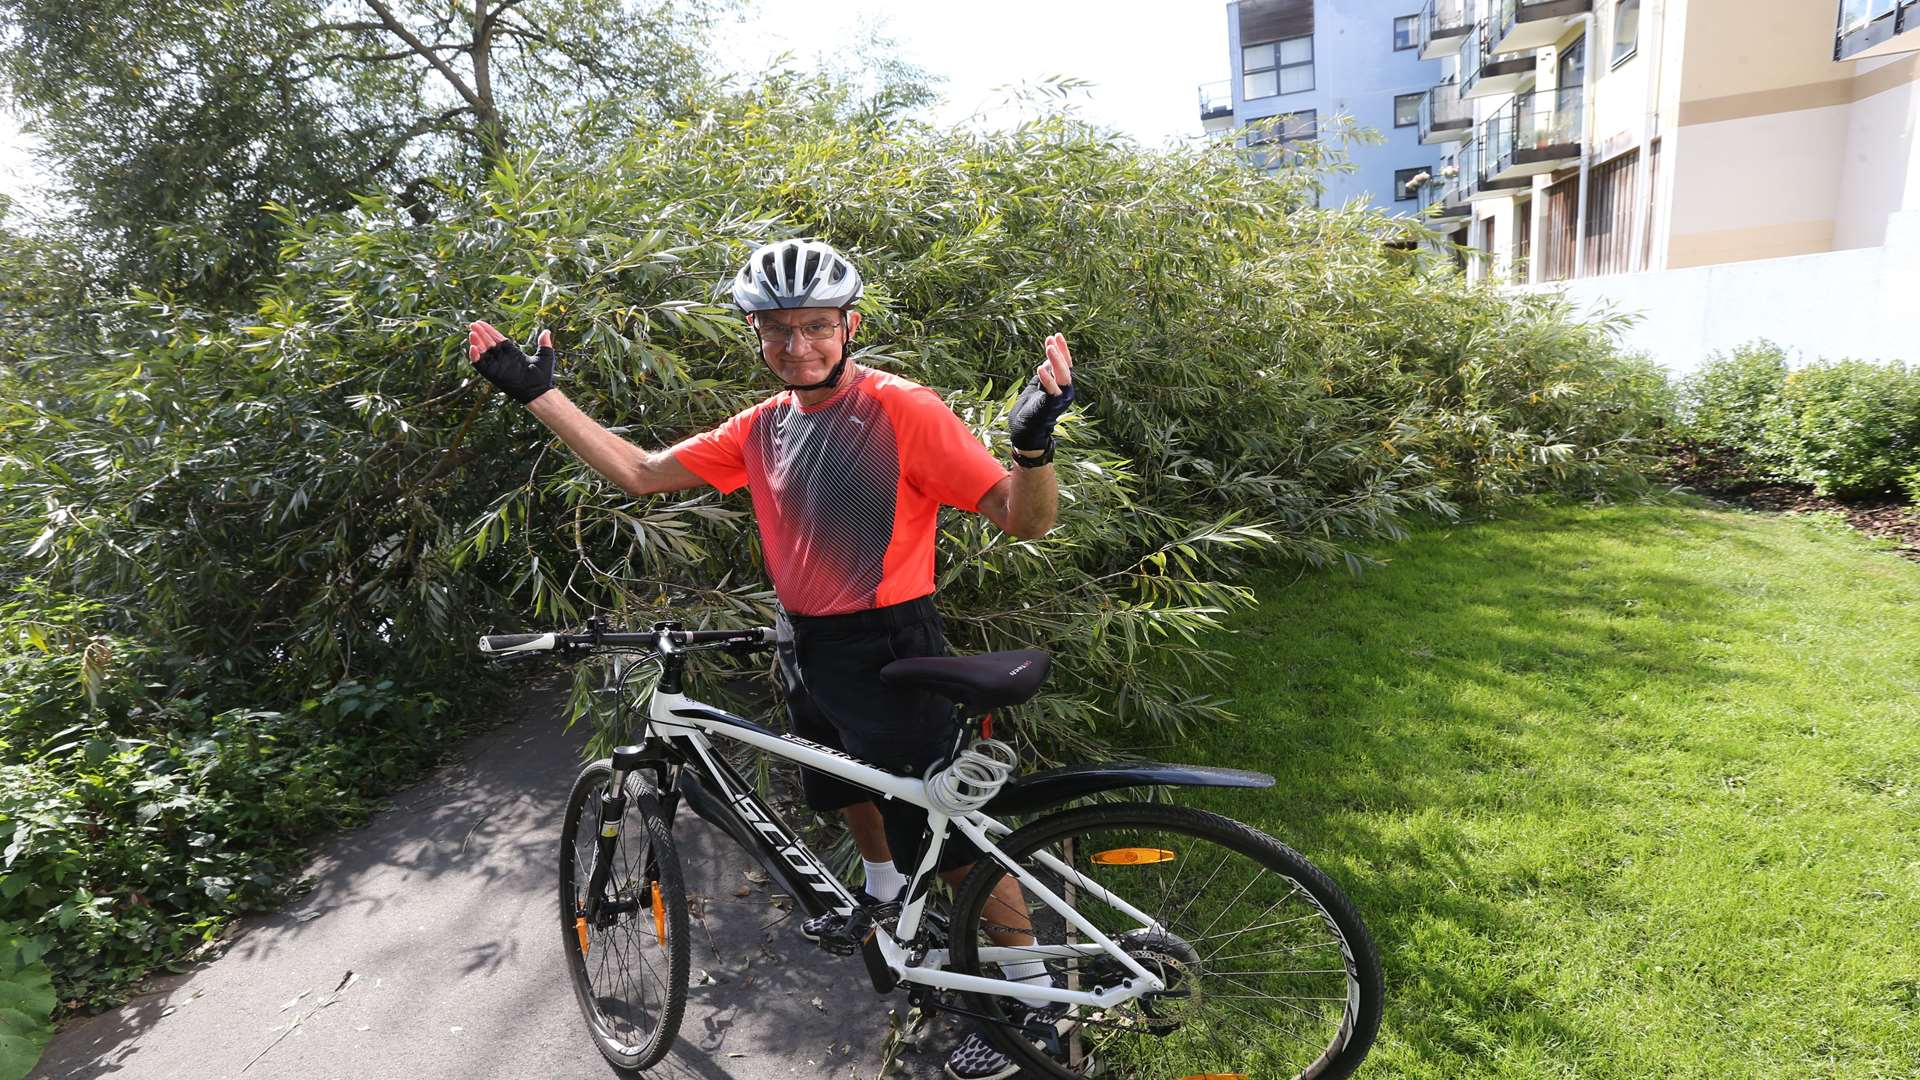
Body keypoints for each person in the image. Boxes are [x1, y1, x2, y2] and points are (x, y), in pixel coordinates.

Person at [465, 237, 1081, 1079]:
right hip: (807, 640)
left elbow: (1025, 519)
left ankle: (1032, 1004)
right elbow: (642, 475)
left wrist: (1033, 450)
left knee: (952, 840)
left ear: (849, 325)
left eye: (817, 327)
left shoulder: (901, 410)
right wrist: (541, 395)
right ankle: (882, 896)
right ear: (756, 336)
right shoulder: (762, 428)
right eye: (778, 331)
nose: (798, 346)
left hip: (893, 644)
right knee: (838, 785)